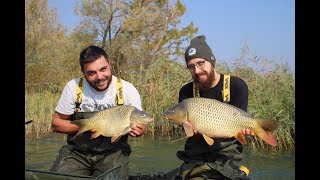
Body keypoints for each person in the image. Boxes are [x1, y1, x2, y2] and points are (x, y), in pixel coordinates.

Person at [165, 35, 255, 180]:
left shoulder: (236, 86)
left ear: (212, 61)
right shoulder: (186, 92)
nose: (197, 70)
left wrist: (245, 128)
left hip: (227, 154)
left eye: (201, 63)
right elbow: (188, 132)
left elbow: (240, 121)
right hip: (196, 153)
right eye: (191, 66)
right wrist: (192, 131)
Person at [50, 45, 146, 178]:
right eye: (91, 73)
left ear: (109, 65)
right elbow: (56, 124)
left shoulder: (127, 89)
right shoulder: (73, 87)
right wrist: (90, 126)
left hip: (113, 152)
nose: (99, 77)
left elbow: (142, 124)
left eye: (103, 69)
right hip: (77, 152)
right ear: (83, 72)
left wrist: (140, 130)